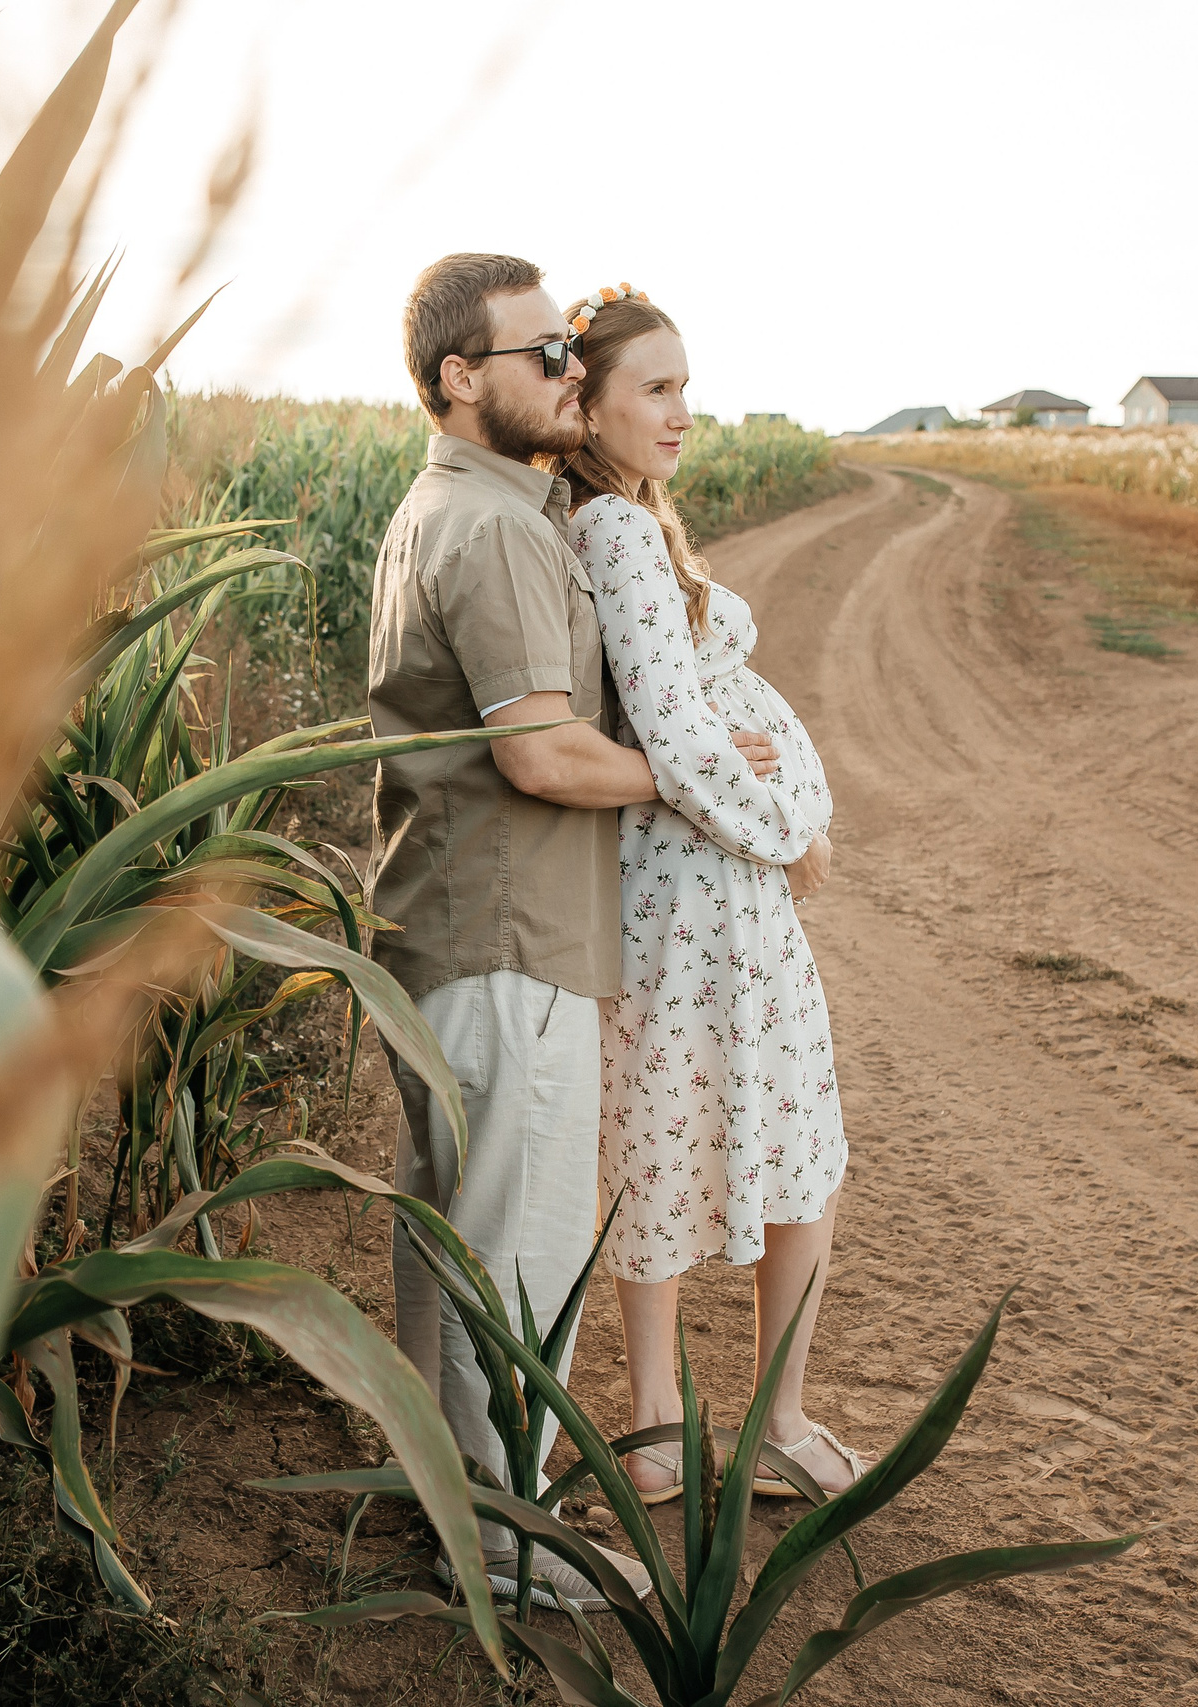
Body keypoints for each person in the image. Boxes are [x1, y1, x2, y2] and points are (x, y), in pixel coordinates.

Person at [366, 255, 778, 1608]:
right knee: (517, 1254)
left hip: (451, 926)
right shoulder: (491, 529)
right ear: (458, 377)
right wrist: (690, 773)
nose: (566, 369)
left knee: (453, 1236)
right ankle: (507, 1552)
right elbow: (541, 753)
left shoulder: (455, 507)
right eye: (541, 354)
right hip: (507, 933)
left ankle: (451, 1502)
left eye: (567, 352)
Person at [547, 283, 864, 1501]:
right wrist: (789, 834)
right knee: (771, 1133)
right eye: (657, 389)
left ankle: (663, 1427)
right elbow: (679, 741)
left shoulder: (623, 518)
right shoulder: (619, 534)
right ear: (587, 407)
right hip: (703, 889)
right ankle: (761, 1421)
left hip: (685, 885)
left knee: (672, 1127)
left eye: (687, 386)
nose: (683, 412)